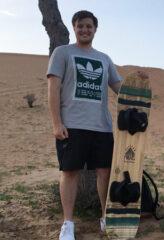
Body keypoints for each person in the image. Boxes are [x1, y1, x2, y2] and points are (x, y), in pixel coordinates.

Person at [46, 10, 122, 240]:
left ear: (95, 29)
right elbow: (53, 89)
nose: (85, 30)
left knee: (105, 173)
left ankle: (105, 216)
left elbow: (120, 88)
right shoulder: (63, 53)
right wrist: (57, 123)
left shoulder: (104, 58)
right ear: (75, 28)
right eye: (80, 26)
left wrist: (139, 83)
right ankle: (68, 223)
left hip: (102, 126)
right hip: (72, 125)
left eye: (89, 26)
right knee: (70, 173)